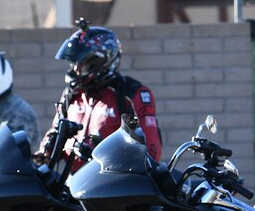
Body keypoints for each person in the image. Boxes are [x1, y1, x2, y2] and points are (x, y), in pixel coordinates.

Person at [36, 19, 161, 171]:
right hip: (71, 181)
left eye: (82, 63)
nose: (76, 69)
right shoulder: (72, 94)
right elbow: (56, 130)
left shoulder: (132, 94)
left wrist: (104, 156)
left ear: (101, 61)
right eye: (74, 63)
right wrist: (45, 152)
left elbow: (152, 151)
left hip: (111, 184)